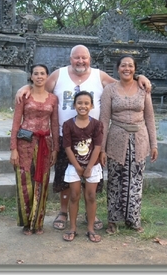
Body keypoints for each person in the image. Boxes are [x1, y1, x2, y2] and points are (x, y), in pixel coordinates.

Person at [15, 45, 152, 231]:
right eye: (76, 58)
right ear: (70, 59)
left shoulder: (100, 75)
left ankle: (90, 213)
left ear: (90, 59)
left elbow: (124, 81)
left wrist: (139, 77)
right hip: (66, 136)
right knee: (65, 177)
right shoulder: (58, 74)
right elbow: (39, 86)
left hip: (92, 138)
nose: (80, 61)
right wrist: (25, 86)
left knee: (92, 177)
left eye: (84, 58)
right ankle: (63, 212)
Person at [99, 55, 158, 234]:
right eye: (123, 65)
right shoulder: (110, 90)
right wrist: (102, 148)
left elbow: (149, 117)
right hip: (117, 138)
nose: (127, 68)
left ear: (135, 69)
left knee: (136, 180)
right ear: (117, 69)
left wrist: (154, 144)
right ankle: (113, 220)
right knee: (115, 180)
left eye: (130, 66)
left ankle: (133, 219)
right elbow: (104, 119)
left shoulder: (143, 89)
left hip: (140, 139)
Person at [10, 64, 59, 235]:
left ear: (47, 77)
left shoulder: (53, 98)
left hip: (45, 144)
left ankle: (38, 222)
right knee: (25, 181)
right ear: (31, 76)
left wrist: (55, 149)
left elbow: (54, 124)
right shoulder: (24, 96)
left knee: (42, 182)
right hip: (25, 144)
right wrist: (13, 149)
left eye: (42, 73)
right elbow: (16, 123)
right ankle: (26, 222)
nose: (39, 76)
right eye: (36, 74)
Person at [62, 91, 103, 243]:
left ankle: (90, 228)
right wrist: (78, 167)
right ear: (74, 105)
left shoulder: (97, 125)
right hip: (75, 165)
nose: (83, 106)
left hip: (92, 165)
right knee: (74, 195)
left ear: (91, 106)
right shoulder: (68, 125)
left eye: (86, 103)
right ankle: (72, 227)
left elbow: (97, 147)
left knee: (91, 196)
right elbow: (67, 147)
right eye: (79, 103)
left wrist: (89, 167)